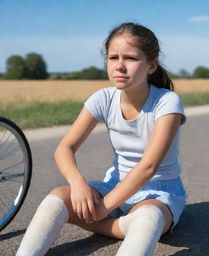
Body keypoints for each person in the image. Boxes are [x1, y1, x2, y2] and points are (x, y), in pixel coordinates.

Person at [16, 22, 186, 256]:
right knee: (56, 198)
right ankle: (122, 227)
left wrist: (103, 208)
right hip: (113, 186)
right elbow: (64, 148)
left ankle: (125, 225)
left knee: (147, 218)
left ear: (151, 66)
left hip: (158, 193)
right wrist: (77, 183)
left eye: (130, 58)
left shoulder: (167, 102)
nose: (119, 66)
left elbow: (147, 167)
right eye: (113, 57)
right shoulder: (103, 98)